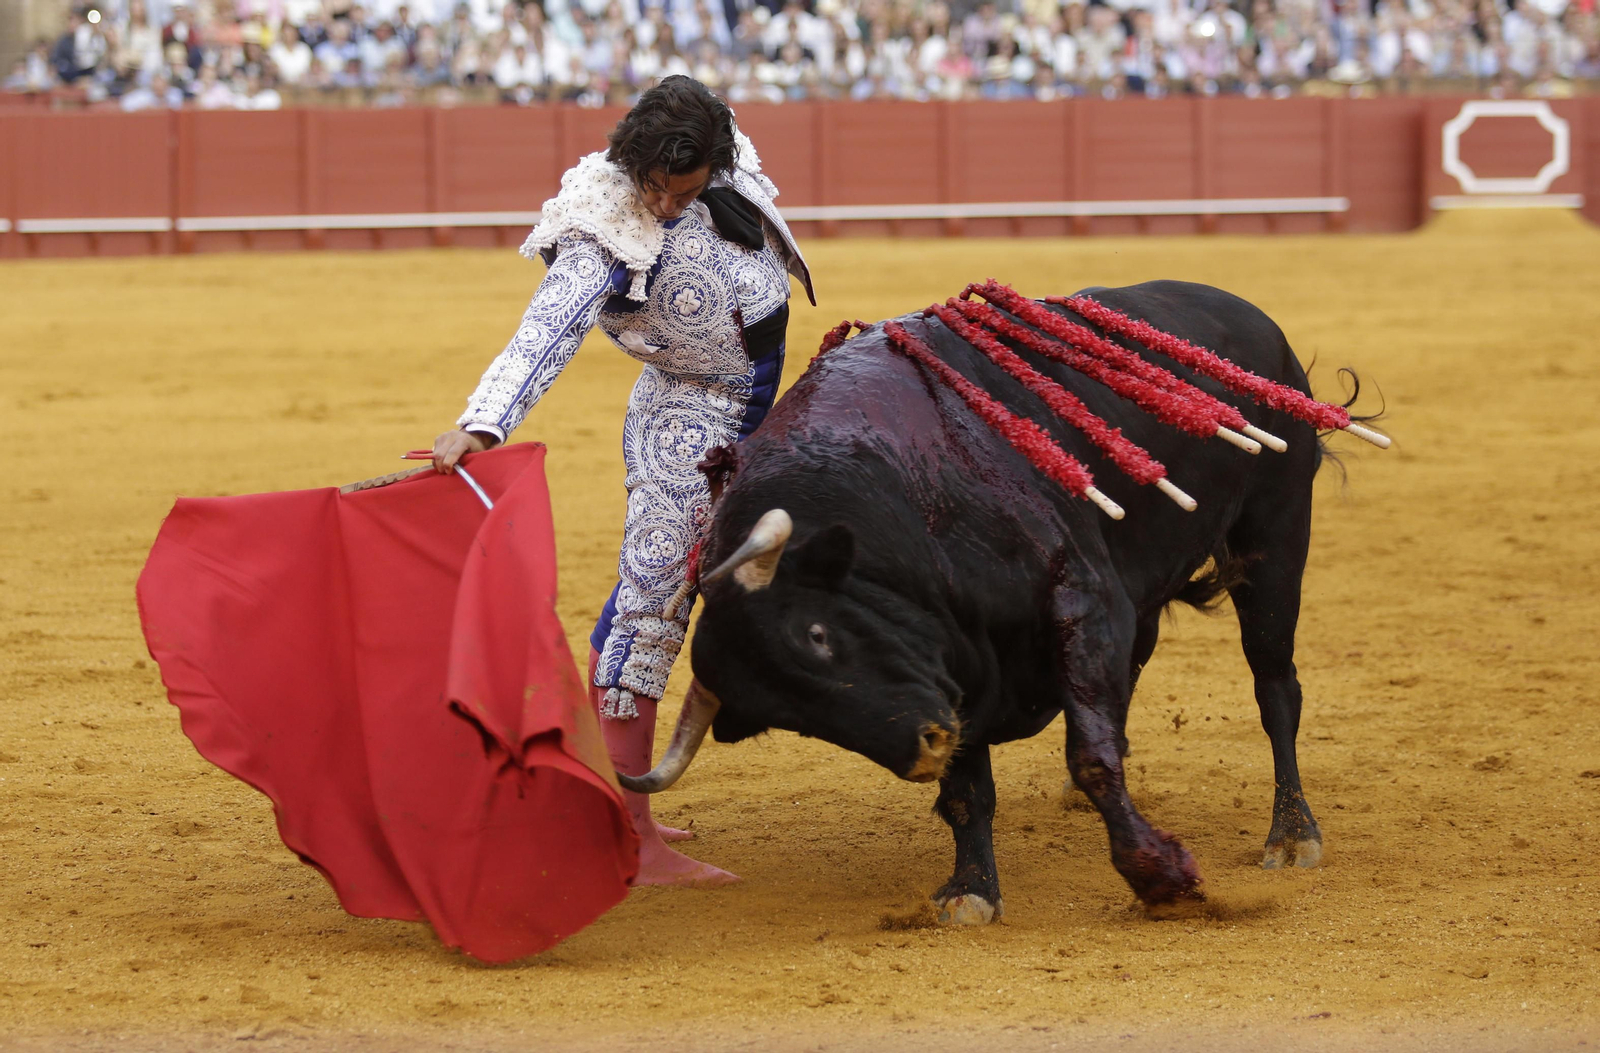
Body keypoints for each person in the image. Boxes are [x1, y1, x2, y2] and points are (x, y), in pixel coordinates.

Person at [429, 76, 813, 887]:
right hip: (689, 424)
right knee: (649, 608)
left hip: (759, 414)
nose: (665, 206)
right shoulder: (604, 224)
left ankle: (613, 792)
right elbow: (549, 327)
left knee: (707, 587)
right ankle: (630, 837)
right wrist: (483, 421)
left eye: (684, 189)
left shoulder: (715, 151)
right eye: (656, 189)